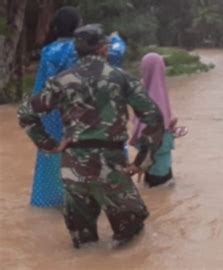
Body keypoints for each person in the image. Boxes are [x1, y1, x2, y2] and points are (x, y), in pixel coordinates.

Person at [18, 24, 164, 249]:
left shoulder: (62, 81)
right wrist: (142, 162)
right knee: (130, 236)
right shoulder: (121, 78)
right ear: (104, 49)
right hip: (112, 167)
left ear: (78, 50)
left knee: (83, 242)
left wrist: (49, 144)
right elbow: (154, 118)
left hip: (73, 168)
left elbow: (26, 113)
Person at [30, 6, 82, 208]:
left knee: (52, 157)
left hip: (52, 114)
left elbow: (40, 87)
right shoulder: (82, 49)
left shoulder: (48, 52)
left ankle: (51, 201)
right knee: (81, 156)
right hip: (79, 113)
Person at [130, 53, 187, 187]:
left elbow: (142, 127)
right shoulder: (159, 91)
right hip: (159, 163)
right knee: (162, 192)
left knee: (153, 194)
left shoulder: (140, 91)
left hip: (149, 160)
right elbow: (158, 129)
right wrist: (170, 126)